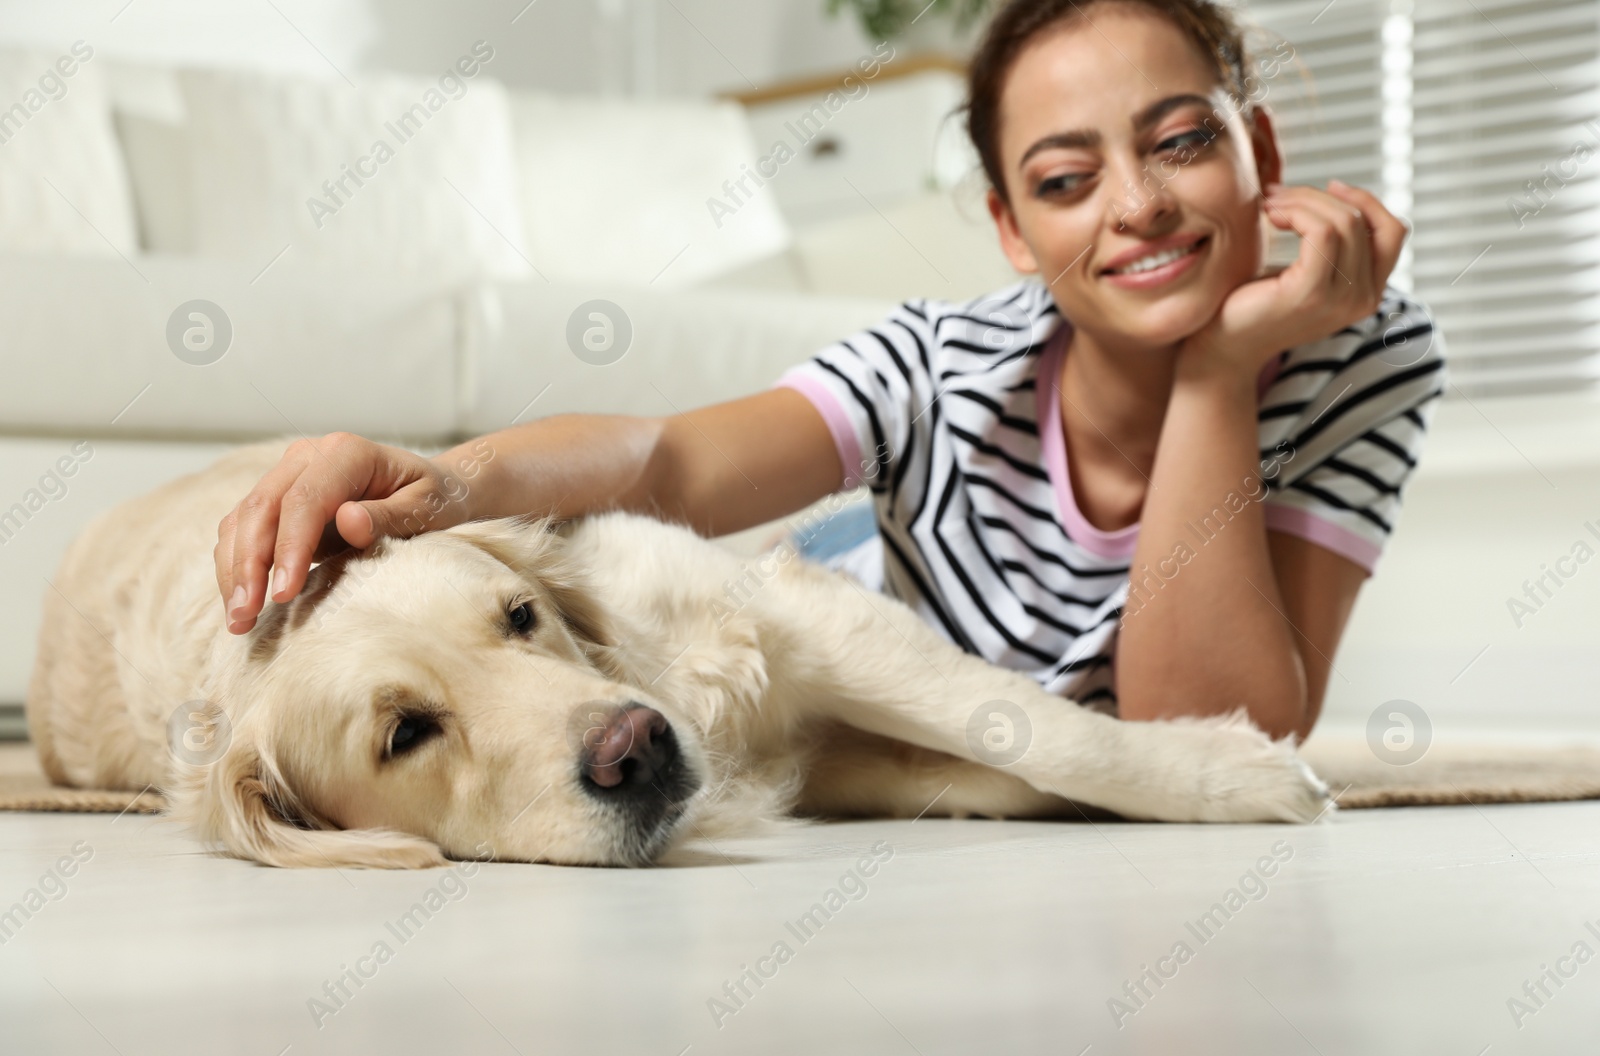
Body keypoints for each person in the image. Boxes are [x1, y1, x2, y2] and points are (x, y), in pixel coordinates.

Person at [213, 0, 1445, 742]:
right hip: (842, 612)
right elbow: (671, 461)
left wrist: (1217, 375)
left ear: (1259, 147)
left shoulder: (1366, 353)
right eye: (1065, 180)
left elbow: (1208, 735)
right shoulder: (940, 363)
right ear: (1012, 229)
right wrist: (440, 475)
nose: (1137, 205)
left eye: (1180, 142)